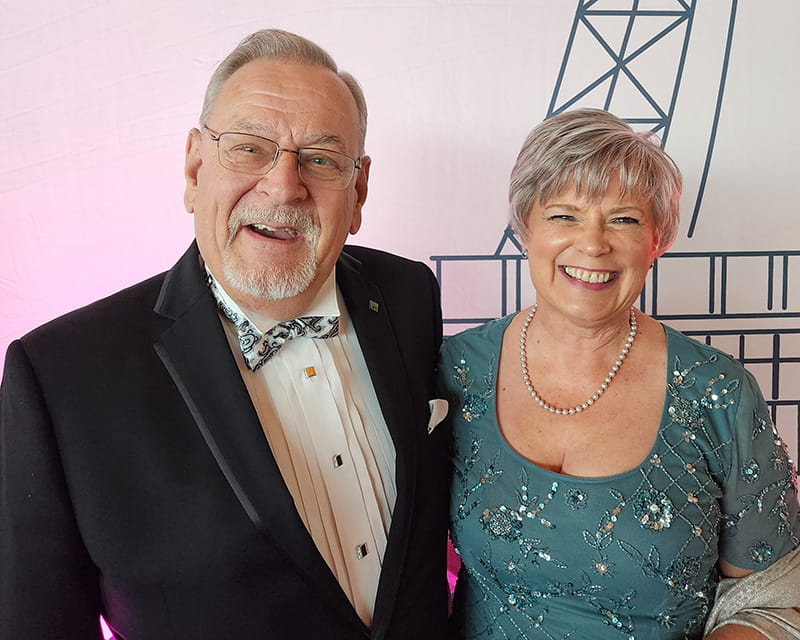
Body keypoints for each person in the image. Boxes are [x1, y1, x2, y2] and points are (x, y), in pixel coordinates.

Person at [0, 29, 450, 640]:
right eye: (249, 148)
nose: (284, 187)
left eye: (320, 158)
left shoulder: (408, 296)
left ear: (359, 188)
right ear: (194, 166)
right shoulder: (60, 375)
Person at [439, 108, 800, 639]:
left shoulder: (717, 392)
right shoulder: (454, 369)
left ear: (657, 239)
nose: (593, 244)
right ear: (525, 228)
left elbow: (771, 600)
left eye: (624, 219)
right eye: (564, 215)